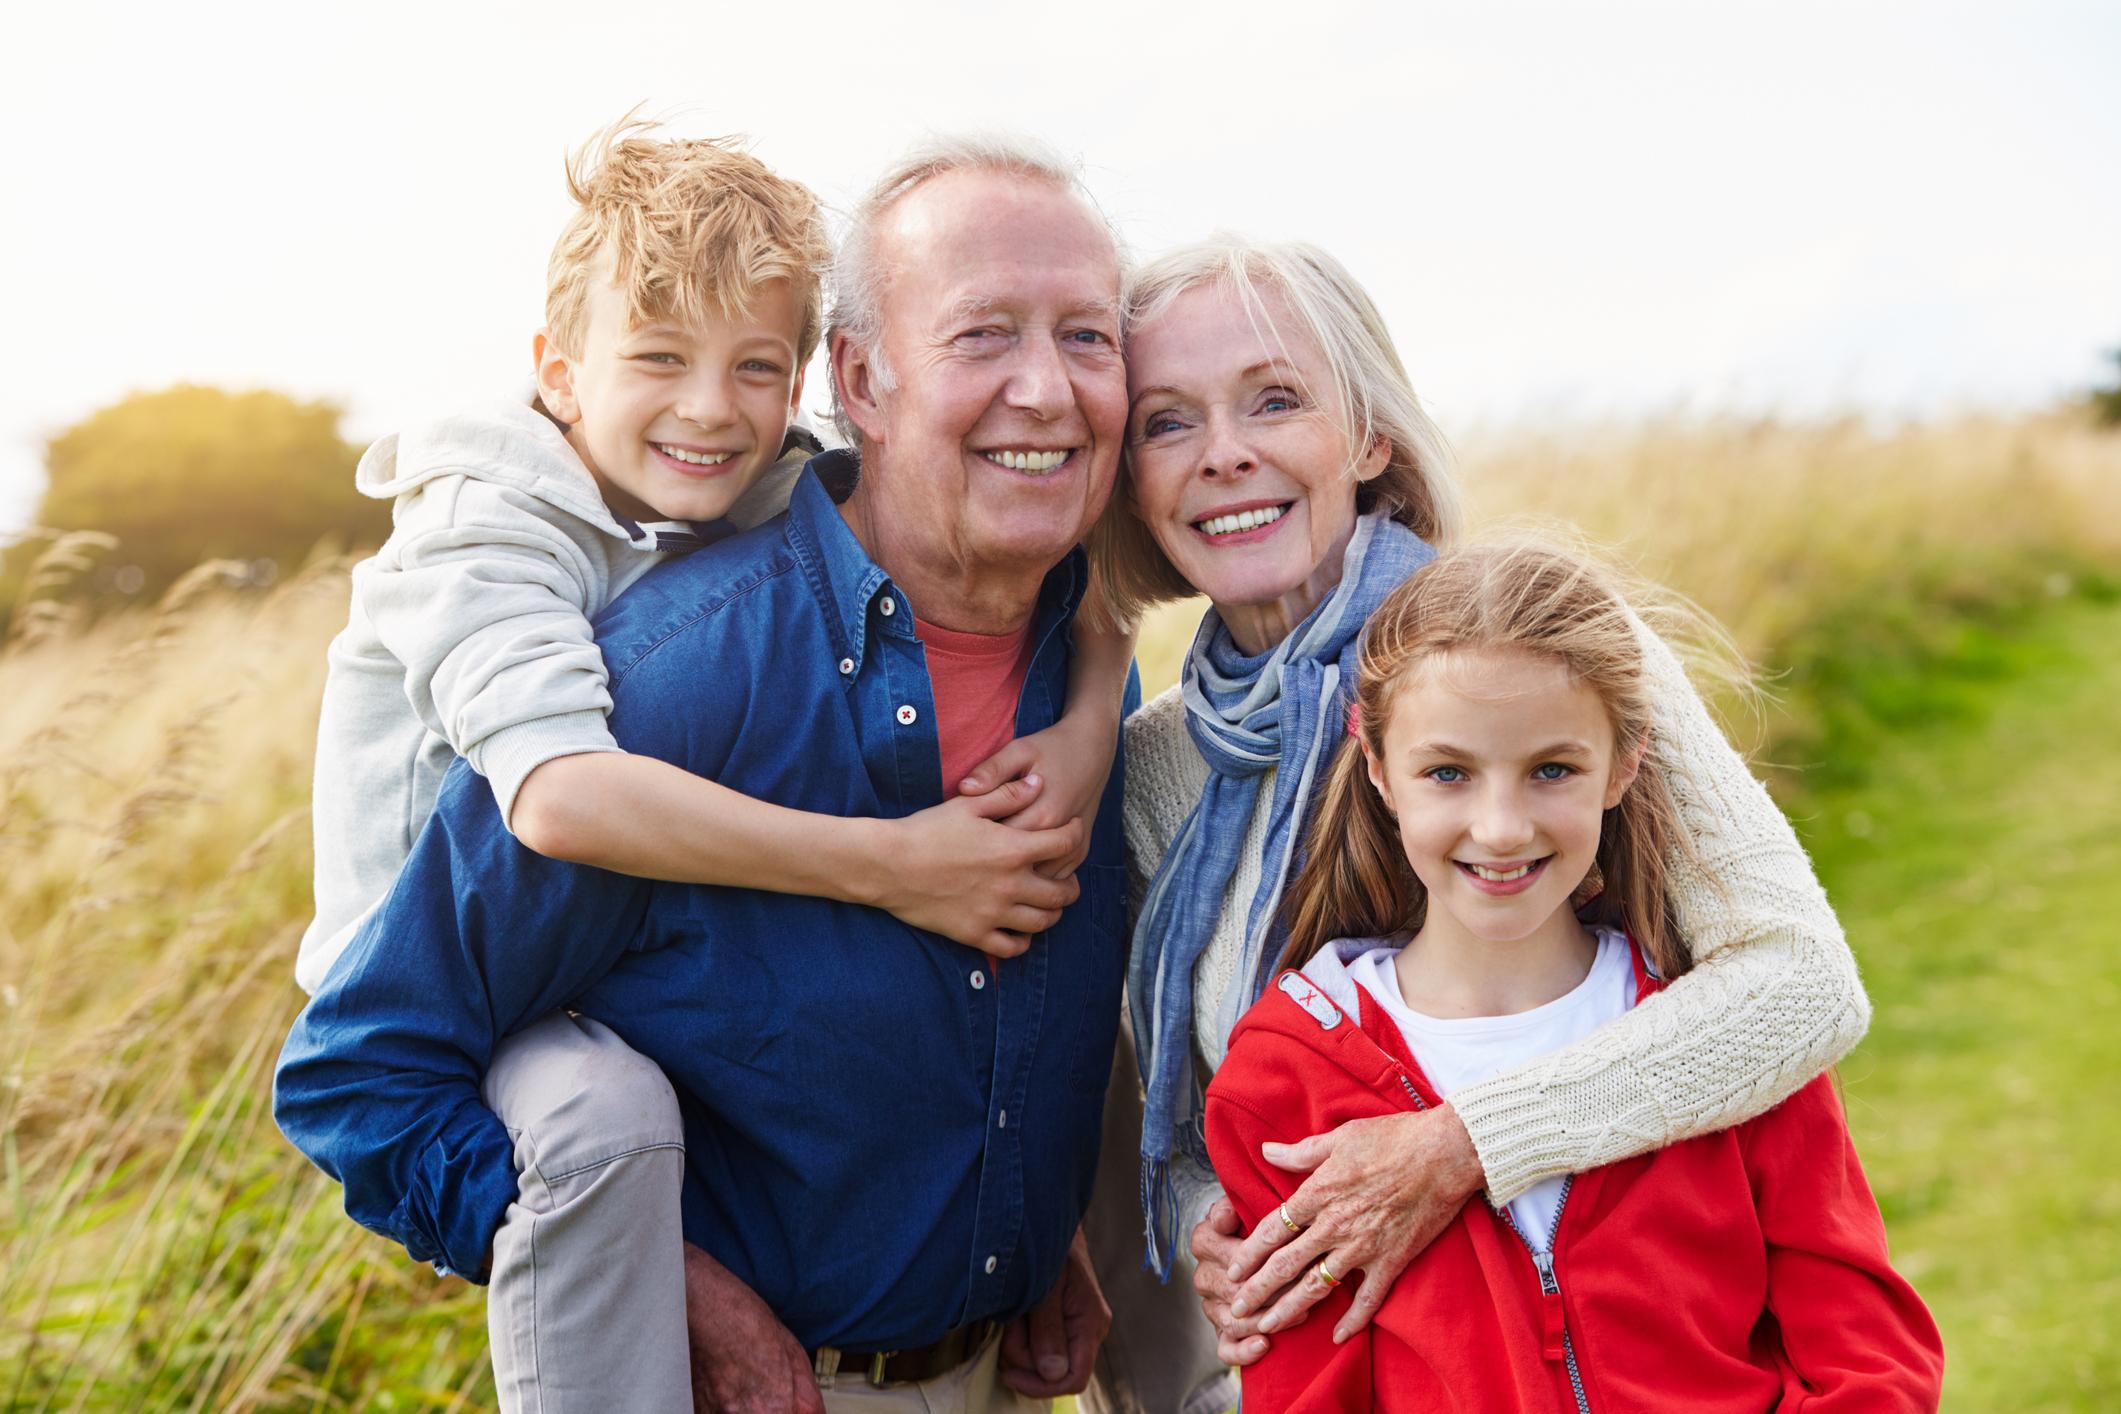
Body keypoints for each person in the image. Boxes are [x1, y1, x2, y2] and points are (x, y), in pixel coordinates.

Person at [277, 135, 1134, 1413]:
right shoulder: (648, 669)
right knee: (593, 1106)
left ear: (796, 383)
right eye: (983, 335)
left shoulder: (1082, 652)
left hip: (992, 1377)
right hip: (747, 1386)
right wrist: (654, 1276)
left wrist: (1020, 1218)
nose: (1047, 390)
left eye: (1088, 336)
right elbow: (364, 1067)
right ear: (864, 381)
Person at [1079, 239, 1874, 1413]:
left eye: (1276, 398)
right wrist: (1214, 1217)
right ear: (1131, 478)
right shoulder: (1155, 767)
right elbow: (1198, 1113)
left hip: (1642, 1344)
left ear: (1371, 437)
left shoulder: (1538, 660)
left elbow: (1803, 986)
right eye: (1166, 421)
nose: (1225, 453)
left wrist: (1458, 1148)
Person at [1202, 540, 1944, 1411]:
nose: (1503, 826)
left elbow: (1867, 1355)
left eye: (1551, 770)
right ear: (1377, 770)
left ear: (1623, 764)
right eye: (1447, 772)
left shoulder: (1723, 1032)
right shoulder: (1285, 1077)